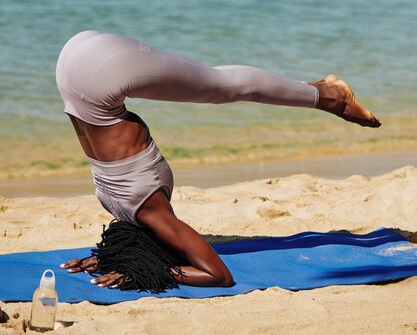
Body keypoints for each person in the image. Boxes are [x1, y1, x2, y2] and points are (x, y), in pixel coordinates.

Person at [56, 30, 381, 290]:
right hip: (74, 64)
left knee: (224, 86)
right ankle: (328, 96)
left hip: (95, 70)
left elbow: (216, 275)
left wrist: (137, 269)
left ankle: (331, 96)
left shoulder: (148, 210)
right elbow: (208, 269)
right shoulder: (120, 207)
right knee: (220, 86)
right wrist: (122, 262)